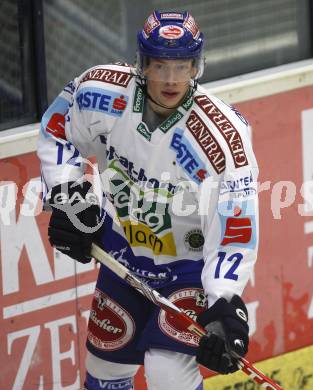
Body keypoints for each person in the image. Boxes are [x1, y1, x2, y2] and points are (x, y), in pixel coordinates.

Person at [37, 10, 259, 390]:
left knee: (167, 374)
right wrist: (69, 198)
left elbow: (235, 229)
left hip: (187, 271)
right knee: (104, 369)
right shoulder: (100, 92)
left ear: (196, 66)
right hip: (120, 256)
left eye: (182, 66)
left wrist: (224, 302)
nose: (171, 79)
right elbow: (58, 131)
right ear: (142, 64)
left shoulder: (224, 137)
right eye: (160, 65)